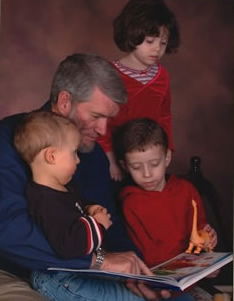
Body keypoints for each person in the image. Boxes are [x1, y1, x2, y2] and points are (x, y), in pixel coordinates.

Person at [0, 53, 188, 301]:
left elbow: (111, 224)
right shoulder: (8, 140)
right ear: (65, 101)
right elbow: (9, 231)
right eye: (97, 116)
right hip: (17, 270)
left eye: (109, 119)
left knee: (176, 298)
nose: (103, 131)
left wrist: (139, 275)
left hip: (85, 269)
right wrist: (98, 262)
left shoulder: (94, 156)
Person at [113, 117, 217, 268]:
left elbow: (200, 229)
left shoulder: (186, 190)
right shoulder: (131, 202)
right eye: (136, 167)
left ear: (167, 157)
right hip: (157, 278)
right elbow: (151, 258)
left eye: (154, 164)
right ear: (125, 166)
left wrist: (209, 241)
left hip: (192, 273)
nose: (147, 174)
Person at [98, 0, 180, 181]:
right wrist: (110, 160)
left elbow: (165, 116)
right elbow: (102, 122)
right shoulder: (110, 75)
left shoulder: (162, 76)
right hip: (116, 158)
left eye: (163, 43)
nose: (157, 49)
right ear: (131, 35)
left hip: (149, 158)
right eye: (150, 41)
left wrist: (168, 149)